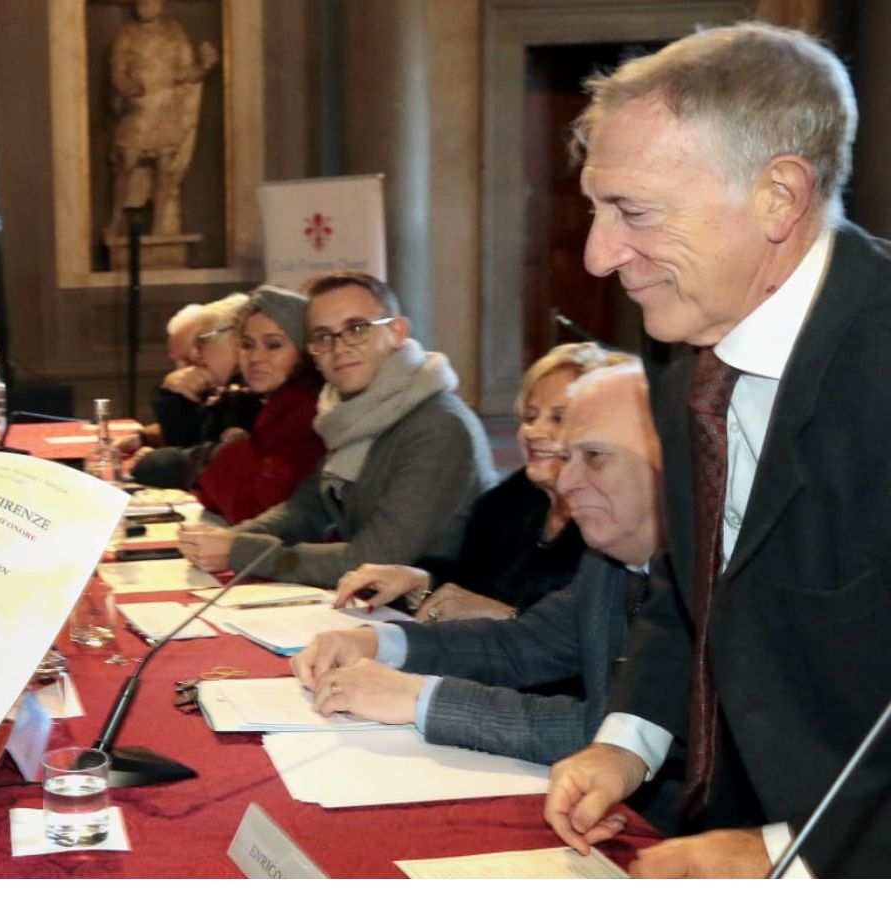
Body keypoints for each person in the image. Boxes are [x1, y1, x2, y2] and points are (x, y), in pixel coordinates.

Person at [542, 23, 891, 878]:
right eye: (596, 208)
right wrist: (628, 740)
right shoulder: (686, 343)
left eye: (634, 211)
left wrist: (783, 857)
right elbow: (704, 580)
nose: (599, 255)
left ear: (778, 196)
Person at [293, 364, 665, 771]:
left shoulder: (706, 587)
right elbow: (521, 645)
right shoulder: (607, 563)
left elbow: (606, 734)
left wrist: (417, 697)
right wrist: (381, 642)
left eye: (593, 457)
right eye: (566, 457)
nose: (567, 481)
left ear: (673, 459)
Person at [178, 271, 495, 587]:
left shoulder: (438, 427)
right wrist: (228, 539)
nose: (339, 347)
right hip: (371, 605)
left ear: (397, 332)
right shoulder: (349, 414)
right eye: (322, 336)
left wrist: (241, 552)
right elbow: (306, 509)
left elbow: (375, 559)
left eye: (356, 329)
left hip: (427, 611)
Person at [339, 342, 632, 621]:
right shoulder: (508, 502)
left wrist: (508, 618)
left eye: (558, 418)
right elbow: (471, 586)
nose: (533, 432)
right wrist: (419, 581)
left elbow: (604, 640)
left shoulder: (619, 528)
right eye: (530, 417)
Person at [191, 286, 327, 523]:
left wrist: (224, 456)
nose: (255, 358)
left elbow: (257, 513)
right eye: (247, 345)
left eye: (273, 345)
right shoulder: (280, 406)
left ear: (304, 352)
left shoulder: (305, 415)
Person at [104, 0, 218, 241]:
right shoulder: (126, 34)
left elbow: (187, 74)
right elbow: (117, 72)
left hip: (165, 110)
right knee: (127, 163)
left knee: (165, 167)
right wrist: (127, 87)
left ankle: (158, 225)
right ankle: (116, 220)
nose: (145, 6)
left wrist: (204, 65)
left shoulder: (174, 33)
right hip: (138, 111)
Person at [128, 292, 261, 486]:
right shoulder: (232, 393)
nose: (196, 355)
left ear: (234, 336)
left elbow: (207, 464)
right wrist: (172, 398)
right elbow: (190, 444)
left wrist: (163, 460)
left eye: (201, 341)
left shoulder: (255, 395)